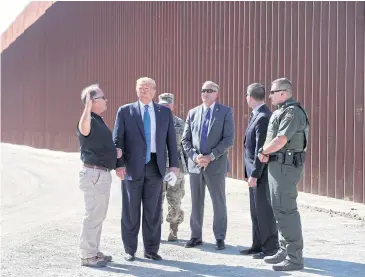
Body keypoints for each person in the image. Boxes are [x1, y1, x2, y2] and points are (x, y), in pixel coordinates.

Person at [113, 77, 179, 262]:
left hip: (155, 167)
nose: (143, 91)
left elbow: (171, 142)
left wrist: (174, 166)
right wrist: (118, 165)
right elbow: (117, 139)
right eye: (140, 88)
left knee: (153, 211)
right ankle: (130, 250)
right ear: (136, 90)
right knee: (130, 211)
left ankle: (151, 250)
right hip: (131, 168)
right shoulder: (125, 111)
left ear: (154, 91)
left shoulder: (164, 113)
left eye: (147, 88)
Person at [258, 78, 309, 271]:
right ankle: (285, 249)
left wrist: (264, 152)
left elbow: (280, 140)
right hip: (277, 165)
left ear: (283, 92)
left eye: (272, 92)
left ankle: (295, 258)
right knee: (279, 209)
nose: (269, 95)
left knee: (286, 210)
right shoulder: (281, 110)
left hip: (286, 167)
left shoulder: (292, 112)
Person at [182, 81, 235, 250]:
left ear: (216, 94)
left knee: (218, 202)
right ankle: (195, 236)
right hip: (196, 165)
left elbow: (228, 139)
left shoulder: (226, 112)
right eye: (203, 90)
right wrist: (196, 156)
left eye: (210, 91)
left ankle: (219, 237)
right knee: (196, 202)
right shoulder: (193, 112)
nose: (205, 93)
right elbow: (185, 139)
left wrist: (211, 156)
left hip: (216, 164)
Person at [77, 84, 122, 267]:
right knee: (93, 216)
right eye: (102, 97)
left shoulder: (98, 120)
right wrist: (87, 107)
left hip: (101, 174)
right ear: (93, 101)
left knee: (98, 216)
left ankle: (93, 251)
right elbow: (83, 129)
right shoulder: (88, 120)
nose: (106, 100)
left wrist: (114, 152)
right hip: (94, 174)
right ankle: (87, 256)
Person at [240, 83, 279, 259]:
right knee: (255, 210)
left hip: (261, 173)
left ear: (250, 96)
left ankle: (270, 247)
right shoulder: (257, 115)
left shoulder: (263, 117)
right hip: (254, 173)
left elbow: (261, 149)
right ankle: (257, 245)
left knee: (264, 211)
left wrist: (255, 174)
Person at [158, 93, 188, 241]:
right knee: (156, 200)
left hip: (176, 168)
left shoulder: (180, 123)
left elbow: (186, 145)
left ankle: (174, 228)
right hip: (157, 167)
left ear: (173, 106)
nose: (166, 107)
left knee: (175, 199)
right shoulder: (153, 122)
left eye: (168, 105)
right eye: (163, 105)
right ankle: (155, 229)